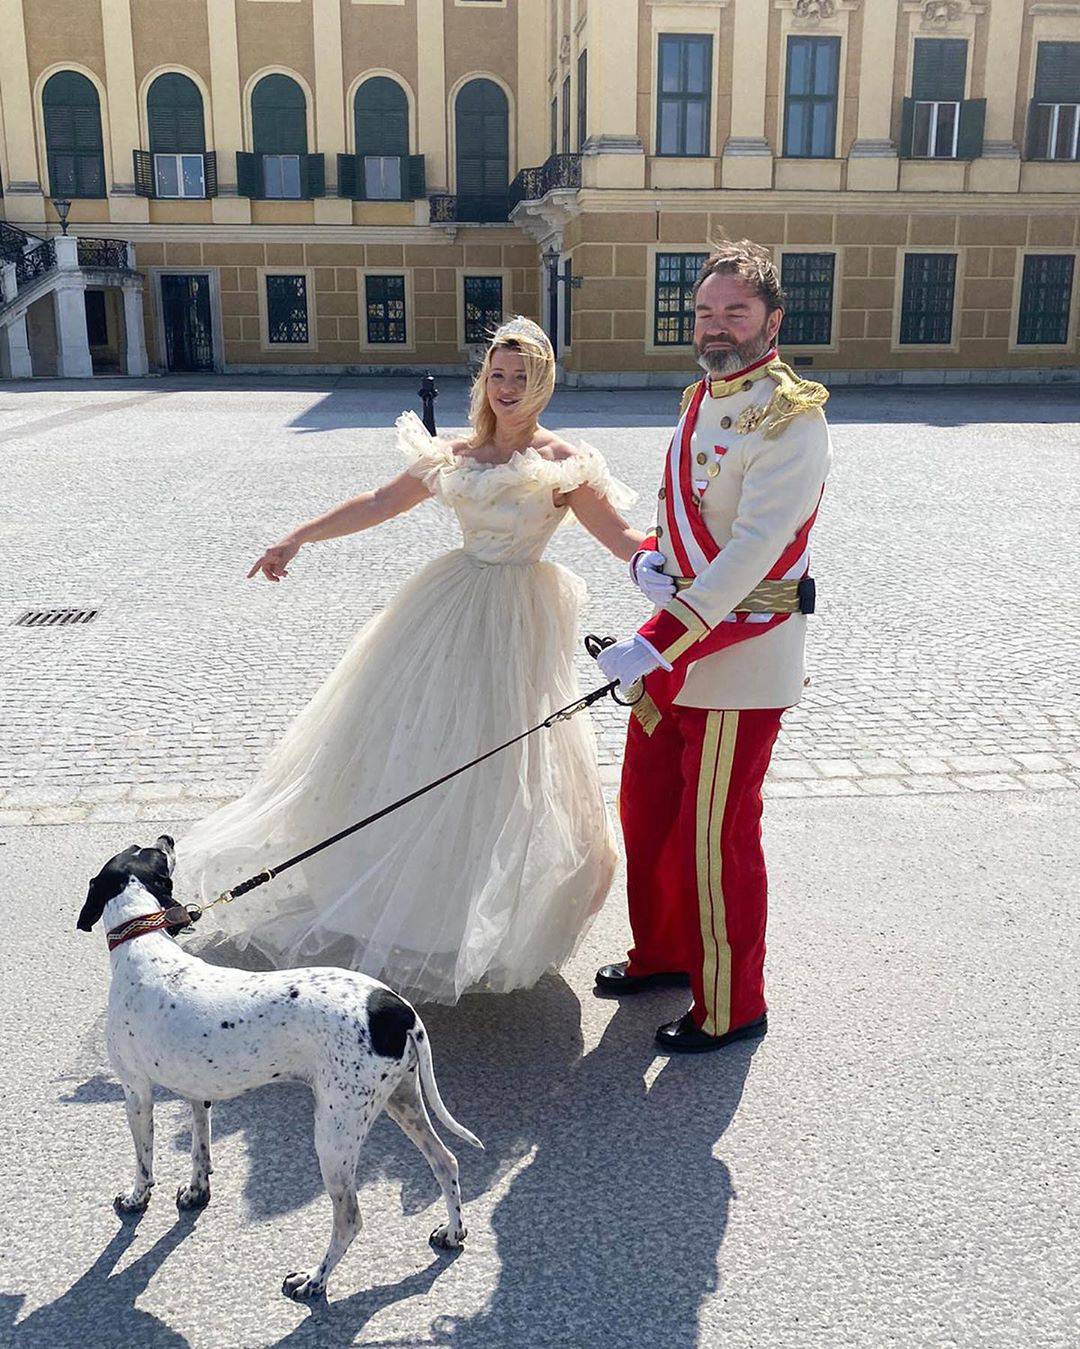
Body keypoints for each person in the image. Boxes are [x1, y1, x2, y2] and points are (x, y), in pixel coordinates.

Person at [177, 318, 644, 1005]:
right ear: (484, 378)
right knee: (413, 744)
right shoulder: (453, 453)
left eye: (522, 377)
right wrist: (297, 537)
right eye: (499, 374)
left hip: (519, 616)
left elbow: (622, 537)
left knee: (502, 760)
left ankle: (483, 913)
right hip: (447, 606)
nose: (508, 388)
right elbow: (380, 501)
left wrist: (692, 563)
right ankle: (404, 906)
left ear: (544, 382)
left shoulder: (563, 462)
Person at [592, 240, 832, 1053]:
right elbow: (694, 513)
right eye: (706, 310)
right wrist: (656, 557)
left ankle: (732, 1002)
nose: (717, 324)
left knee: (714, 833)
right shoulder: (703, 394)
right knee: (646, 811)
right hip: (680, 648)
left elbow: (753, 550)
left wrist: (657, 635)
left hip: (737, 656)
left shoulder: (792, 415)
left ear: (773, 318)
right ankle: (664, 952)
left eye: (735, 310)